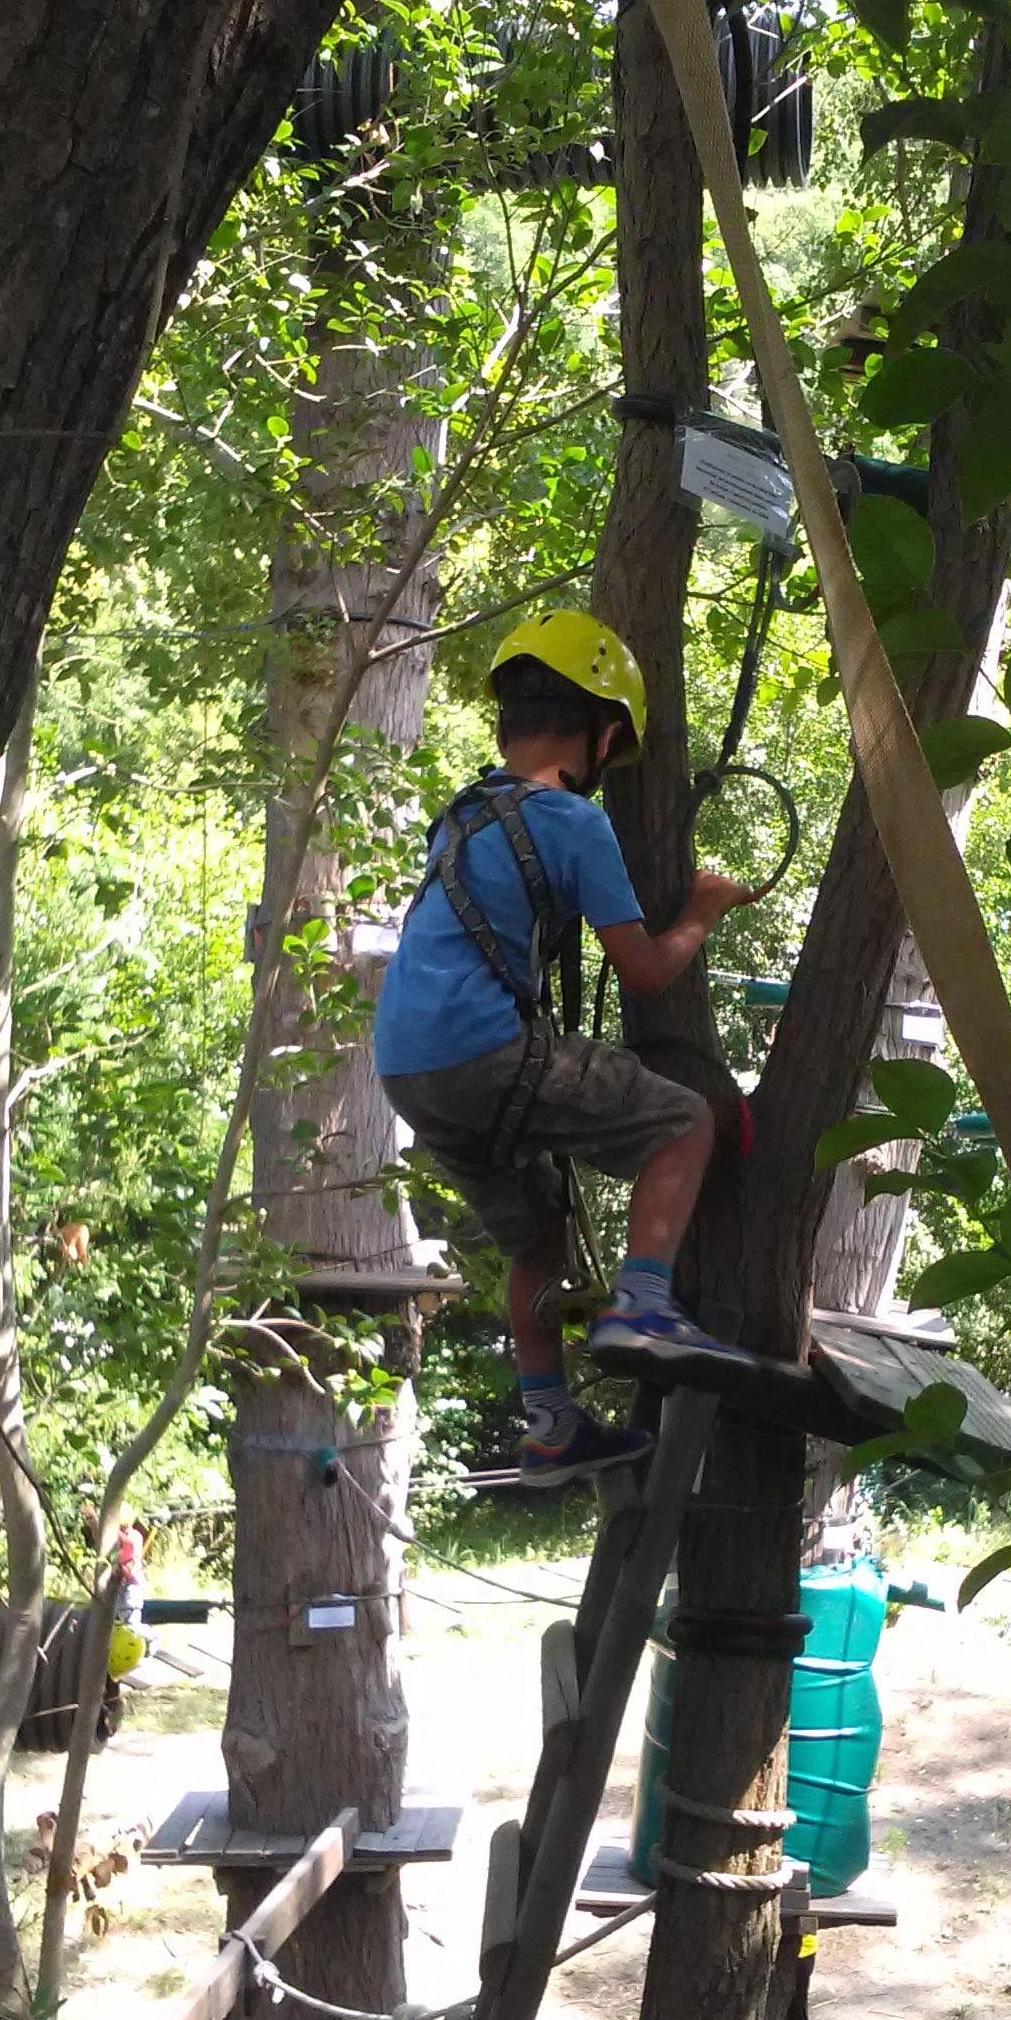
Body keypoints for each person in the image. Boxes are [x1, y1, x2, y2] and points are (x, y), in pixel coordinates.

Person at [376, 608, 755, 1486]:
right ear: (604, 727)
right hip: (482, 1051)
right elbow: (647, 972)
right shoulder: (574, 823)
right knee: (683, 1123)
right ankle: (644, 1305)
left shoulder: (461, 816)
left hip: (408, 1067)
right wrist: (702, 911)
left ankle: (550, 1426)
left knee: (538, 1237)